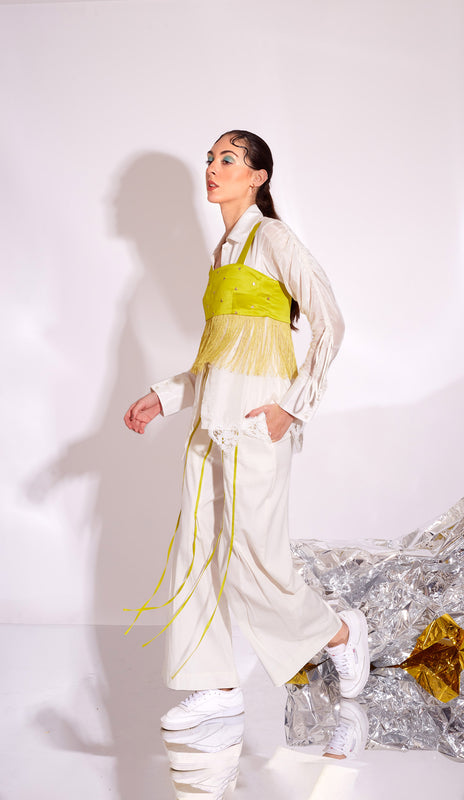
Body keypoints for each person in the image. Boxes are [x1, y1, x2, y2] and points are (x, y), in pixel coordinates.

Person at [124, 130, 369, 753]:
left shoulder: (274, 239)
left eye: (228, 159)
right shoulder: (222, 254)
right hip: (209, 427)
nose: (213, 168)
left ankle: (339, 633)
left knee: (257, 558)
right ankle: (215, 688)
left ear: (258, 176)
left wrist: (292, 406)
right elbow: (219, 355)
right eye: (210, 159)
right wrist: (167, 396)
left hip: (256, 425)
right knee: (196, 553)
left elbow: (330, 323)